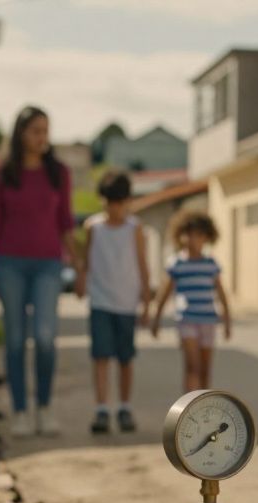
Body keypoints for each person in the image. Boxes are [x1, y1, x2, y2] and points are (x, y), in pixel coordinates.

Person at [0, 106, 74, 438]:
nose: (42, 138)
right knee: (16, 340)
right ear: (20, 133)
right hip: (8, 264)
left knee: (46, 338)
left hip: (48, 264)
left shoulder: (58, 173)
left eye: (46, 131)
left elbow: (65, 222)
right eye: (36, 131)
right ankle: (20, 411)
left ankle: (44, 407)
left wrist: (80, 266)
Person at [74, 171, 152, 434]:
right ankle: (101, 409)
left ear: (128, 201)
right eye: (111, 202)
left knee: (125, 358)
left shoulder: (135, 228)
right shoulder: (93, 227)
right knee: (101, 356)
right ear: (103, 201)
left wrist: (146, 299)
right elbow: (86, 259)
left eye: (120, 203)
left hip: (126, 303)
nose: (116, 208)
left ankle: (125, 406)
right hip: (100, 301)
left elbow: (142, 263)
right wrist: (81, 280)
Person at [150, 211, 231, 391]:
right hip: (187, 319)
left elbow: (221, 293)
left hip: (208, 320)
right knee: (192, 367)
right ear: (182, 235)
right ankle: (188, 407)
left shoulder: (211, 264)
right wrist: (156, 318)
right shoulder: (177, 263)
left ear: (207, 237)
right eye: (191, 234)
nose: (194, 239)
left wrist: (227, 320)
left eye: (200, 235)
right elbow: (165, 293)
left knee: (205, 368)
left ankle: (203, 406)